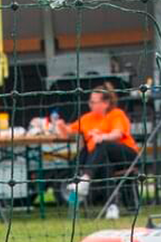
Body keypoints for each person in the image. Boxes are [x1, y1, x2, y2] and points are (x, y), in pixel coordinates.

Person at [56, 83, 139, 212]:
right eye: (90, 101)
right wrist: (60, 125)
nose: (90, 105)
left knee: (102, 145)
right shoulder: (87, 118)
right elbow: (67, 132)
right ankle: (112, 207)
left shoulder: (116, 114)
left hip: (126, 156)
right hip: (102, 160)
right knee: (104, 163)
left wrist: (101, 137)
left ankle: (85, 179)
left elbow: (117, 134)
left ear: (105, 103)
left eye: (94, 102)